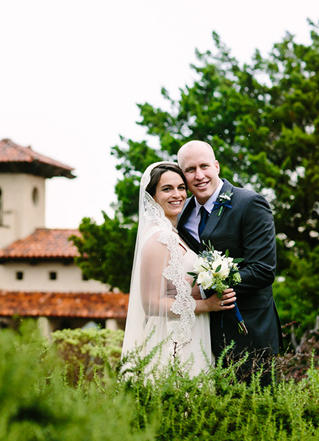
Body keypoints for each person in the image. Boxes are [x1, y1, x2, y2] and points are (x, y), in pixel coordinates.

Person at [176, 140, 282, 383]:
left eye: (204, 166)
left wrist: (203, 287)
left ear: (217, 166)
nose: (199, 175)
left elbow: (263, 270)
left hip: (249, 329)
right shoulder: (182, 212)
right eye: (190, 170)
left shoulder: (249, 203)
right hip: (201, 331)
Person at [121, 161, 236, 377]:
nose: (177, 194)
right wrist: (207, 305)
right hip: (172, 340)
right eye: (167, 189)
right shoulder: (159, 238)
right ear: (151, 196)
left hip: (190, 333)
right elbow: (152, 304)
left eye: (181, 187)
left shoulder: (173, 233)